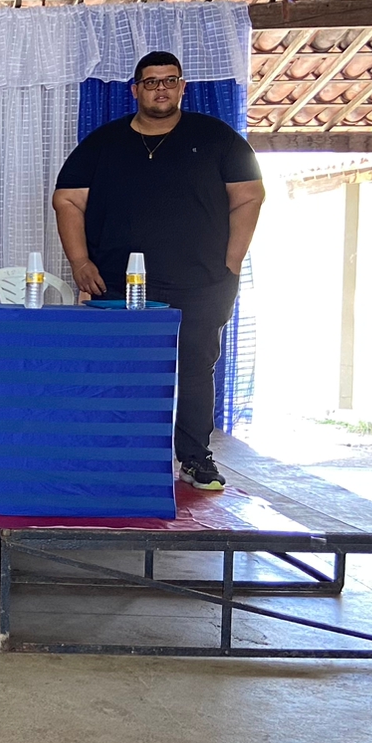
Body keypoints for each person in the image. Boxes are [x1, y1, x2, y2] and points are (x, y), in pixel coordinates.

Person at [52, 50, 265, 491]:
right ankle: (115, 459)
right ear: (136, 90)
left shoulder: (217, 138)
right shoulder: (103, 143)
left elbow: (250, 195)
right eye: (151, 82)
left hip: (201, 283)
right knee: (118, 372)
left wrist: (232, 261)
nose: (161, 89)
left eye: (170, 80)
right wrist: (80, 262)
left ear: (183, 87)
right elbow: (67, 199)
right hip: (116, 283)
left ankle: (195, 459)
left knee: (194, 370)